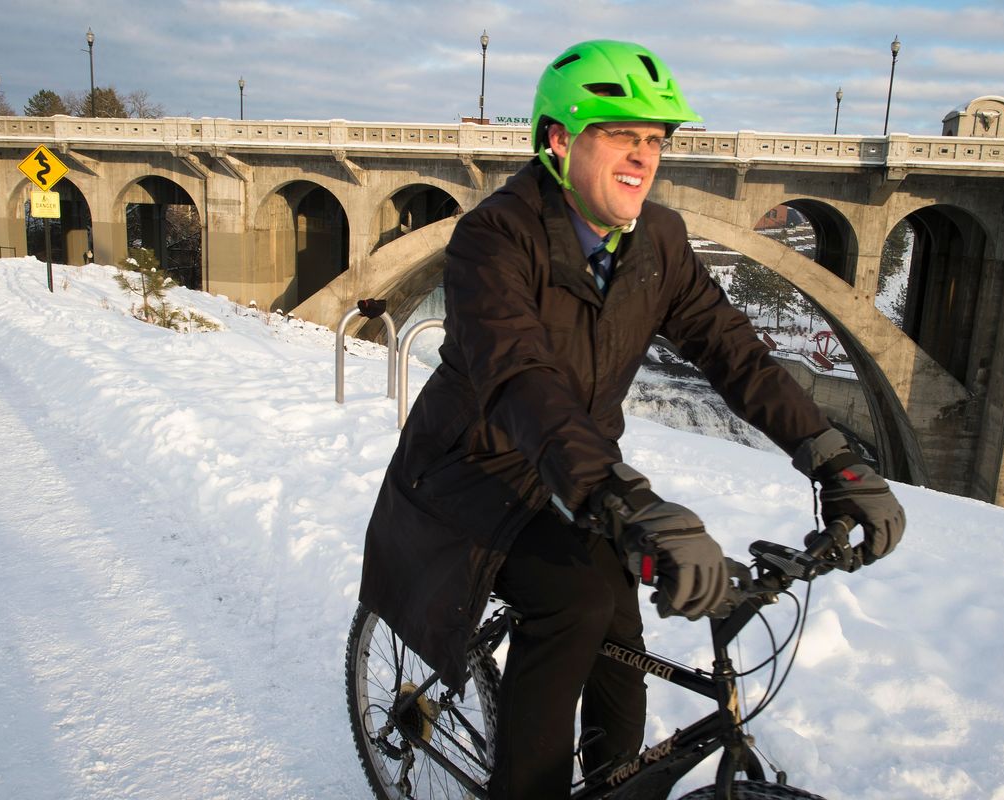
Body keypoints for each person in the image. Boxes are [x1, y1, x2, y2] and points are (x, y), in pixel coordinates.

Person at [359, 39, 905, 799]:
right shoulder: (494, 239)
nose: (643, 157)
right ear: (559, 139)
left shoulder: (659, 241)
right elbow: (520, 376)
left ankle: (617, 785)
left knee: (620, 621)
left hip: (579, 471)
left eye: (654, 140)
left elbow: (734, 353)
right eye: (621, 134)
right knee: (575, 601)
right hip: (472, 469)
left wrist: (831, 456)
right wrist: (621, 496)